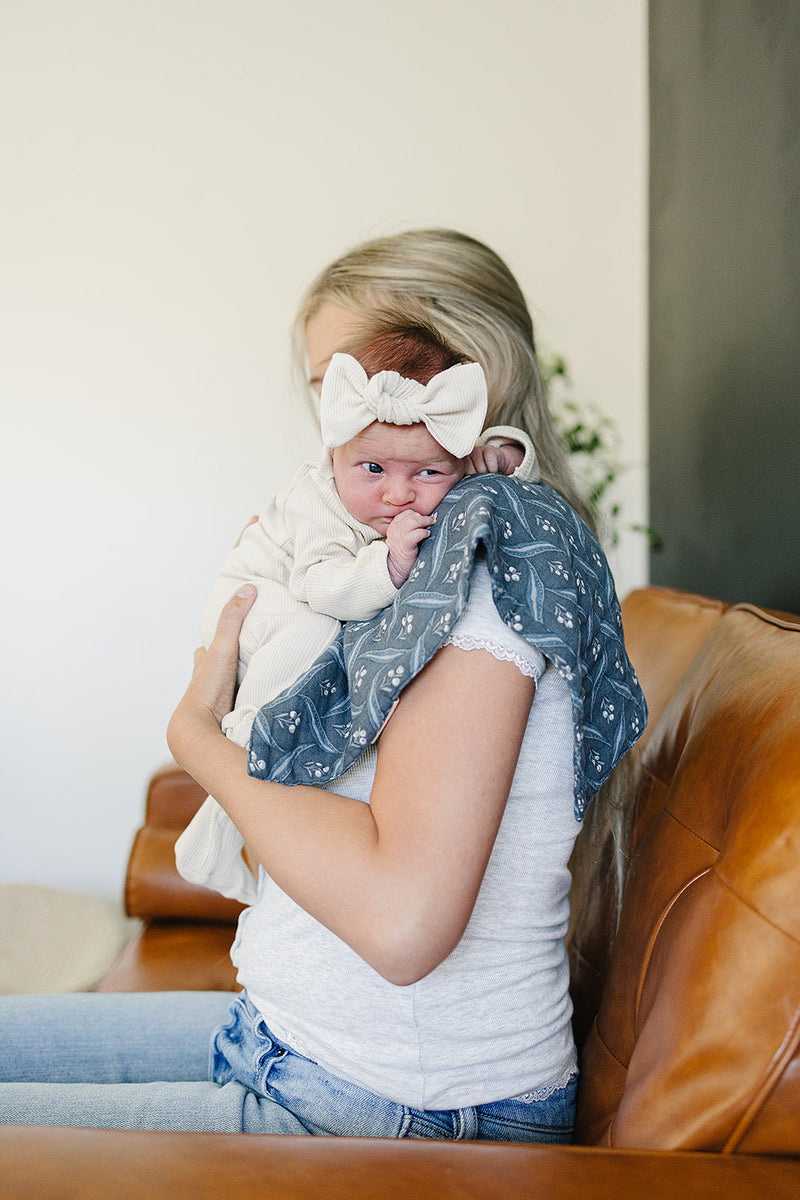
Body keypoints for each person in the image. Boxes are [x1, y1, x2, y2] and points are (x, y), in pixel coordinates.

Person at [0, 228, 643, 1142]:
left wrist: (198, 741)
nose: (340, 432)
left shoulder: (492, 561)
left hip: (399, 1104)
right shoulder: (418, 540)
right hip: (289, 1042)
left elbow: (405, 921)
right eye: (330, 398)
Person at [177, 323, 538, 900]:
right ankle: (233, 768)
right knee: (316, 637)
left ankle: (221, 830)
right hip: (263, 596)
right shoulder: (315, 500)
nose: (398, 494)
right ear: (334, 453)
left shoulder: (443, 463)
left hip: (310, 591)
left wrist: (504, 454)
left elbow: (502, 474)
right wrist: (389, 565)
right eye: (372, 470)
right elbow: (321, 586)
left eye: (427, 473)